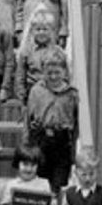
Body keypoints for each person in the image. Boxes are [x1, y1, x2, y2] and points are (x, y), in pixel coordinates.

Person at [24, 48, 78, 195]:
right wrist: (27, 144)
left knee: (58, 185)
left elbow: (76, 124)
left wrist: (74, 151)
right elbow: (28, 119)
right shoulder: (36, 90)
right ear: (43, 72)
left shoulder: (72, 93)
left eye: (57, 73)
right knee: (39, 183)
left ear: (64, 72)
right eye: (49, 73)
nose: (53, 77)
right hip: (41, 140)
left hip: (62, 142)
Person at [15, 9, 60, 104]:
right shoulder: (26, 51)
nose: (41, 32)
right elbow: (20, 75)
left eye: (45, 29)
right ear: (32, 31)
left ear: (52, 31)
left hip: (52, 93)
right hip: (32, 93)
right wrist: (21, 95)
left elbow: (65, 74)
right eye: (38, 29)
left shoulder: (57, 51)